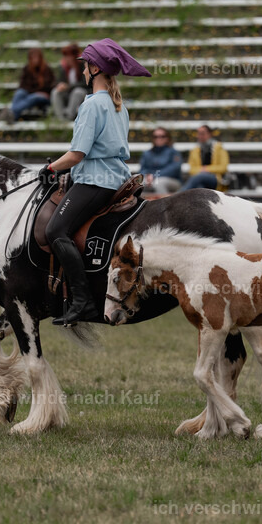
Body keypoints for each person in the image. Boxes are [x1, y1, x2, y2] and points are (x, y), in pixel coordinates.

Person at [40, 38, 151, 326]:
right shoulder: (118, 105)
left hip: (95, 181)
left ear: (95, 69)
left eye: (86, 66)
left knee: (55, 230)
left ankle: (82, 300)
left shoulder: (91, 105)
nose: (83, 71)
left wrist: (50, 167)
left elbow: (77, 154)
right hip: (116, 179)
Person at [0, 48, 54, 123]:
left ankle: (11, 113)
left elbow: (49, 86)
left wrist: (37, 93)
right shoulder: (27, 69)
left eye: (36, 57)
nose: (35, 60)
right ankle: (13, 114)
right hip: (31, 94)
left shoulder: (46, 70)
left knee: (34, 97)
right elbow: (22, 85)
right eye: (33, 58)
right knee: (19, 93)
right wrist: (34, 92)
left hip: (44, 96)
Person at [182, 125, 229, 190]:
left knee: (200, 177)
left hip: (215, 178)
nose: (200, 136)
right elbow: (191, 169)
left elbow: (223, 167)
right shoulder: (195, 150)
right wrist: (201, 170)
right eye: (198, 134)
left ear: (209, 134)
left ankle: (179, 194)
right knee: (199, 186)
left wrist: (207, 169)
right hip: (199, 179)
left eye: (202, 133)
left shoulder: (219, 148)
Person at [139, 127, 182, 194]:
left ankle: (164, 201)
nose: (158, 139)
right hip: (151, 179)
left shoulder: (173, 153)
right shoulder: (147, 153)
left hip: (172, 180)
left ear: (167, 138)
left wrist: (155, 176)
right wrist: (147, 176)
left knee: (159, 183)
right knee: (139, 184)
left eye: (162, 136)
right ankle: (142, 201)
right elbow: (143, 169)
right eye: (155, 137)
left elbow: (174, 169)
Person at [51, 43, 87, 121]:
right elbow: (57, 81)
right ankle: (61, 118)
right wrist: (60, 85)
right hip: (68, 94)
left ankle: (69, 116)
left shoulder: (83, 66)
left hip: (82, 94)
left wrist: (68, 86)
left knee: (77, 91)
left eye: (68, 56)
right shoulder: (64, 68)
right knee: (55, 92)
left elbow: (85, 83)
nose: (66, 58)